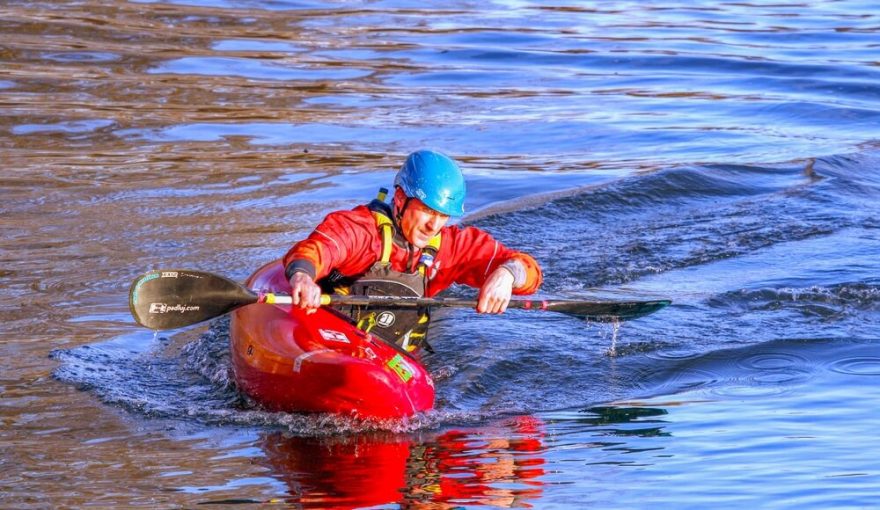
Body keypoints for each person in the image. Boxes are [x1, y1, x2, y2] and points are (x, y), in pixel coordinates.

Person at [282, 149, 542, 351]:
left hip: (386, 350)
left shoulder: (451, 246)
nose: (433, 225)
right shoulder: (361, 229)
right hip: (326, 334)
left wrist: (506, 274)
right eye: (427, 211)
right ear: (399, 199)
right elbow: (317, 249)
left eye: (443, 216)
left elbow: (528, 271)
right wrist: (303, 277)